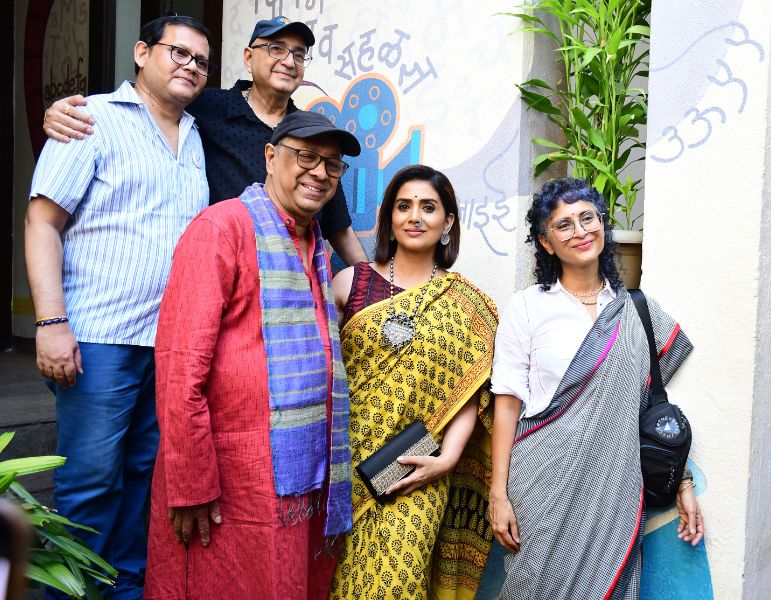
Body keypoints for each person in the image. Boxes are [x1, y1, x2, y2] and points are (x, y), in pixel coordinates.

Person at [24, 16, 211, 598]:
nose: (190, 66)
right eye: (178, 52)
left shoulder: (197, 133)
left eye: (202, 62)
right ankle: (72, 593)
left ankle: (124, 591)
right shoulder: (92, 119)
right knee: (89, 484)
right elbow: (41, 221)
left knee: (142, 482)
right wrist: (51, 322)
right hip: (99, 337)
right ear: (141, 52)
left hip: (169, 343)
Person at [144, 110, 360, 600]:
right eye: (306, 156)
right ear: (270, 156)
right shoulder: (222, 228)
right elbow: (180, 365)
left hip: (298, 476)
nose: (320, 172)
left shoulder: (314, 243)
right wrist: (190, 481)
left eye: (332, 164)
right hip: (229, 476)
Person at [489, 177, 704, 599]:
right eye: (564, 224)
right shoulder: (528, 306)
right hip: (541, 482)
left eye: (588, 218)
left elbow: (649, 410)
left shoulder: (638, 310)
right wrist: (498, 493)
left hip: (614, 490)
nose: (580, 230)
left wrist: (682, 483)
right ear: (546, 242)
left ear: (603, 225)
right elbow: (507, 402)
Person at [42, 16, 368, 266]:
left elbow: (338, 225)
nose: (288, 61)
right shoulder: (204, 108)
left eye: (299, 54)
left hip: (293, 278)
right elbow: (148, 101)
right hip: (225, 275)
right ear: (248, 57)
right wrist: (62, 112)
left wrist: (375, 294)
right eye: (276, 49)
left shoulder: (311, 131)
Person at [329, 165, 497, 599]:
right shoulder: (350, 283)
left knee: (400, 583)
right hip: (342, 469)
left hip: (418, 469)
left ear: (448, 222)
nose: (415, 217)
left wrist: (448, 459)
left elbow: (469, 392)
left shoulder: (466, 304)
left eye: (428, 207)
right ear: (389, 217)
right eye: (404, 206)